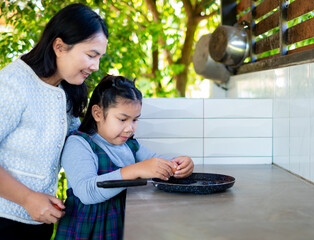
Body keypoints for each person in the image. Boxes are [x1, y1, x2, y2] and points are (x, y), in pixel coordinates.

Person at [0, 3, 108, 239]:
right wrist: (27, 198)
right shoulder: (12, 83)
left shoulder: (67, 90)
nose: (96, 66)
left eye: (99, 57)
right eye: (91, 55)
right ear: (59, 46)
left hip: (40, 223)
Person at [54, 75, 194, 240]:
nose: (130, 128)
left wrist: (179, 164)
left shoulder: (130, 146)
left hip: (120, 227)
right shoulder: (79, 144)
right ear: (98, 113)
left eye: (135, 120)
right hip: (86, 231)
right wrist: (136, 169)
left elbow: (156, 162)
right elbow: (87, 192)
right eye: (122, 119)